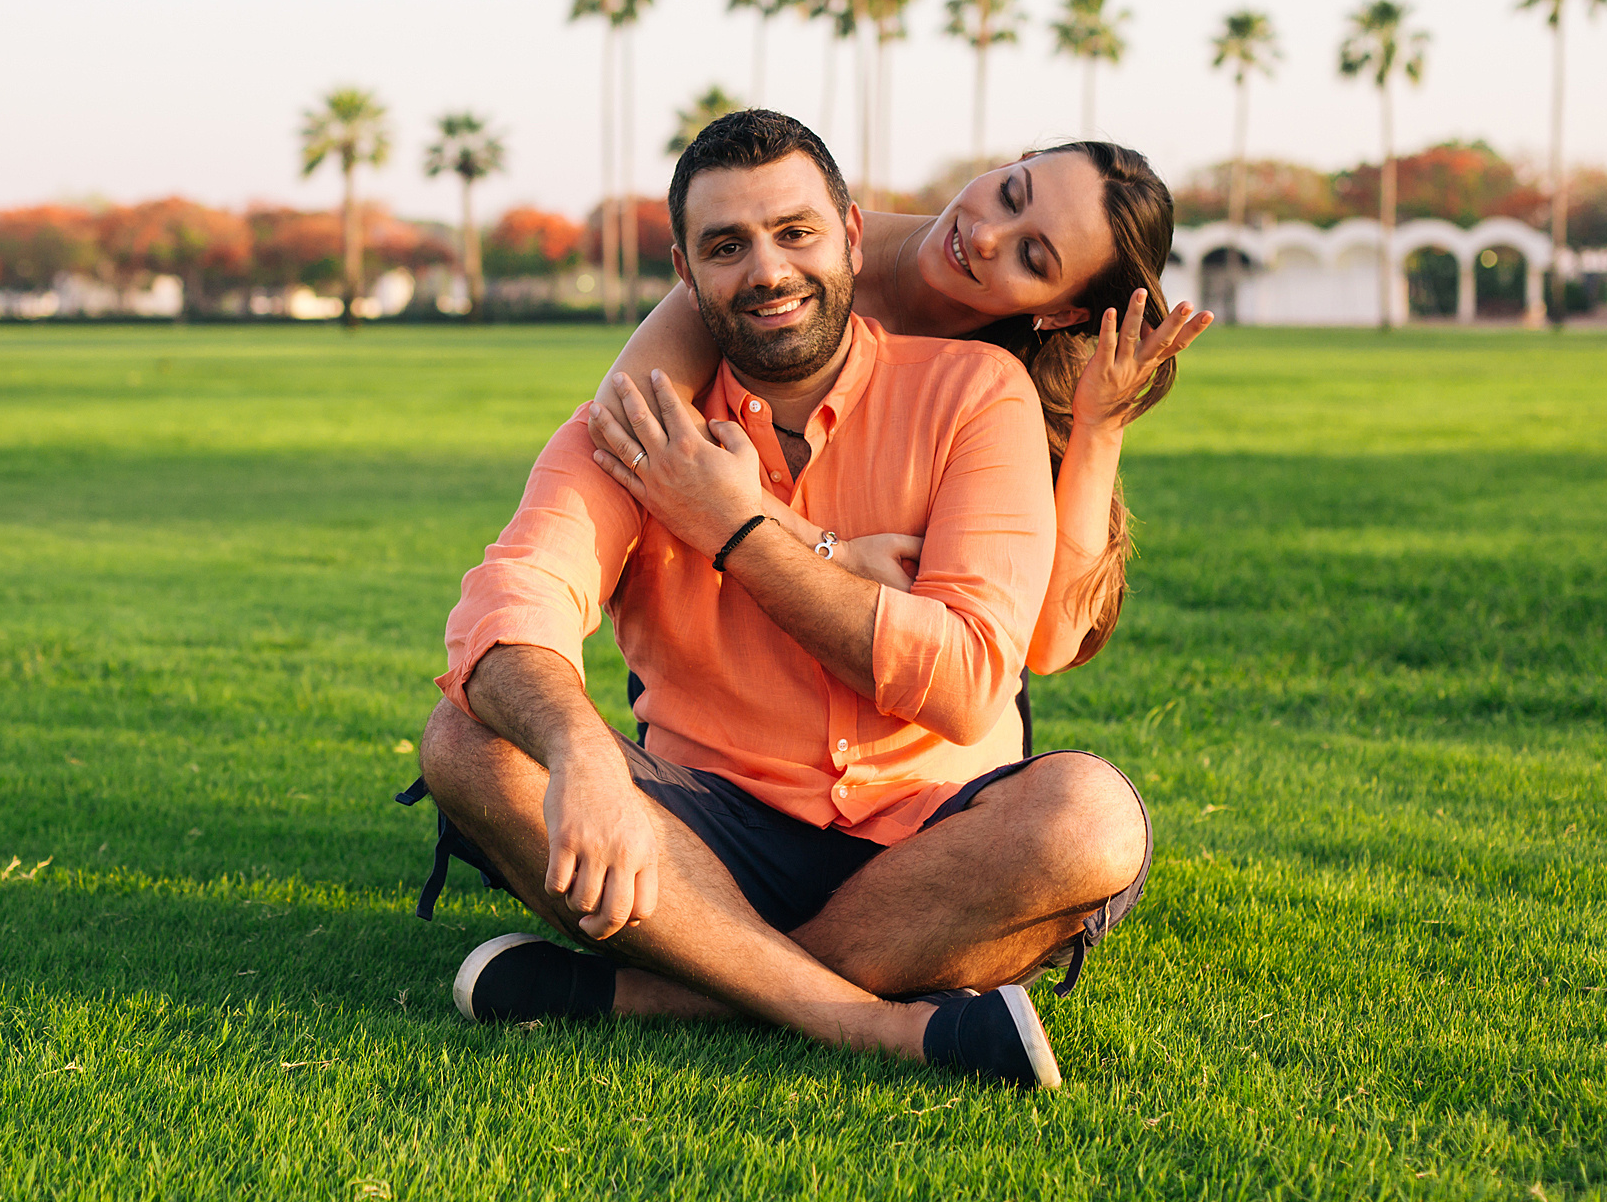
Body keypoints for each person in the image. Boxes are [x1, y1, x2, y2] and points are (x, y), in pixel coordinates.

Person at [406, 110, 1155, 1089]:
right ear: (683, 268)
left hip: (929, 819)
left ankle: (682, 979)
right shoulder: (642, 421)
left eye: (795, 233)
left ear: (849, 235)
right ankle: (874, 1022)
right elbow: (516, 594)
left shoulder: (981, 390)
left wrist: (740, 529)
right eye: (727, 246)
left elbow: (976, 678)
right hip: (715, 816)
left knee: (1091, 817)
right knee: (467, 739)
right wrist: (580, 751)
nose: (766, 270)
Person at [592, 138, 1207, 680]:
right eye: (1010, 194)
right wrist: (832, 552)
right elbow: (631, 415)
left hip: (925, 710)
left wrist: (1099, 426)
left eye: (1032, 257)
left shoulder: (1005, 386)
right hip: (726, 670)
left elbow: (1049, 645)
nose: (987, 235)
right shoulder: (796, 257)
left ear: (1063, 313)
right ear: (1010, 164)